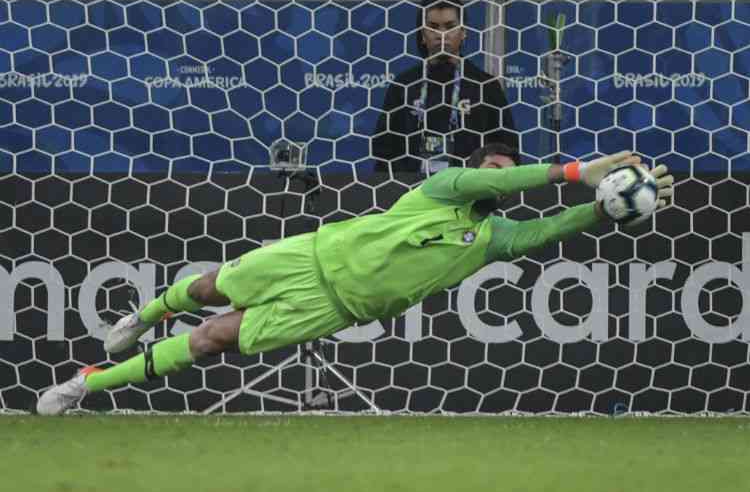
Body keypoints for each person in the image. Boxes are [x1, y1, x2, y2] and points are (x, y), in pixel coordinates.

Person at [37, 148, 673, 415]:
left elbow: (540, 233)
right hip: (309, 256)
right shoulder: (445, 186)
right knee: (205, 291)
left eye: (509, 169)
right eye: (497, 167)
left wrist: (599, 210)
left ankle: (87, 383)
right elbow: (504, 182)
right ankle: (146, 315)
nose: (501, 176)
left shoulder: (490, 238)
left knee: (210, 342)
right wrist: (572, 171)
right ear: (480, 171)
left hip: (331, 307)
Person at [373, 0, 518, 175]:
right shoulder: (404, 85)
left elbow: (506, 150)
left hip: (468, 193)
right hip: (413, 193)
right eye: (433, 27)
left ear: (464, 32)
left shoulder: (485, 86)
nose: (442, 35)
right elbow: (384, 149)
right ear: (422, 35)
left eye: (450, 26)